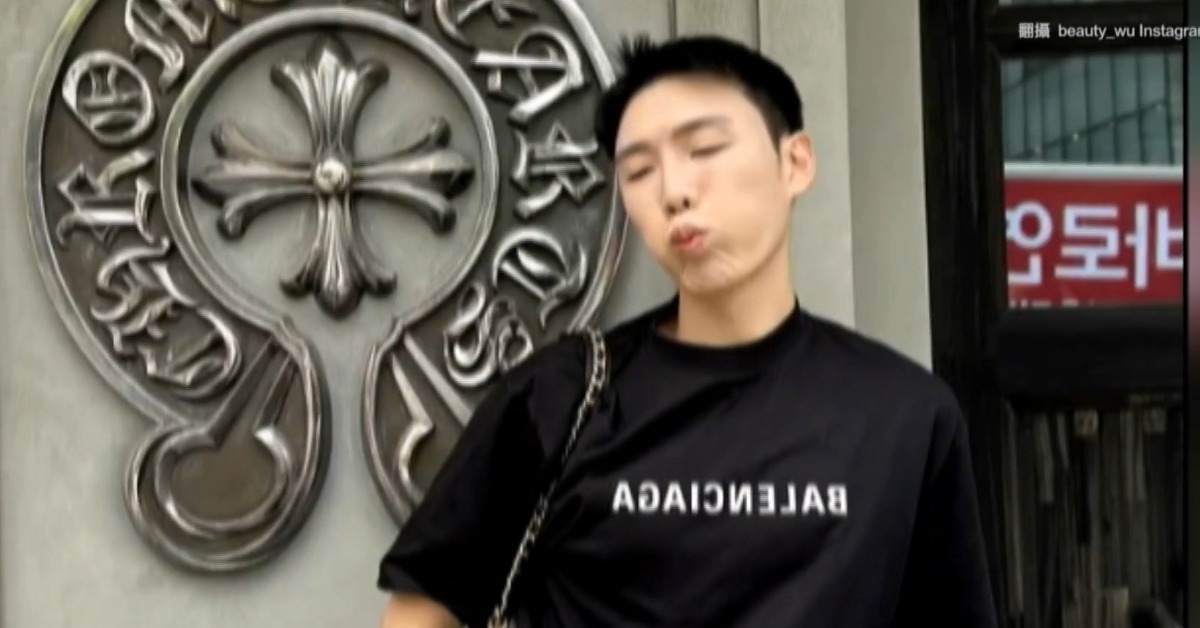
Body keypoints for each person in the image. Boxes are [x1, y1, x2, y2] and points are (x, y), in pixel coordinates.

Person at [376, 34, 997, 628]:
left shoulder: (905, 415)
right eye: (639, 171)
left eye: (704, 150)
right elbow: (418, 610)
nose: (674, 191)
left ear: (796, 163)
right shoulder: (560, 397)